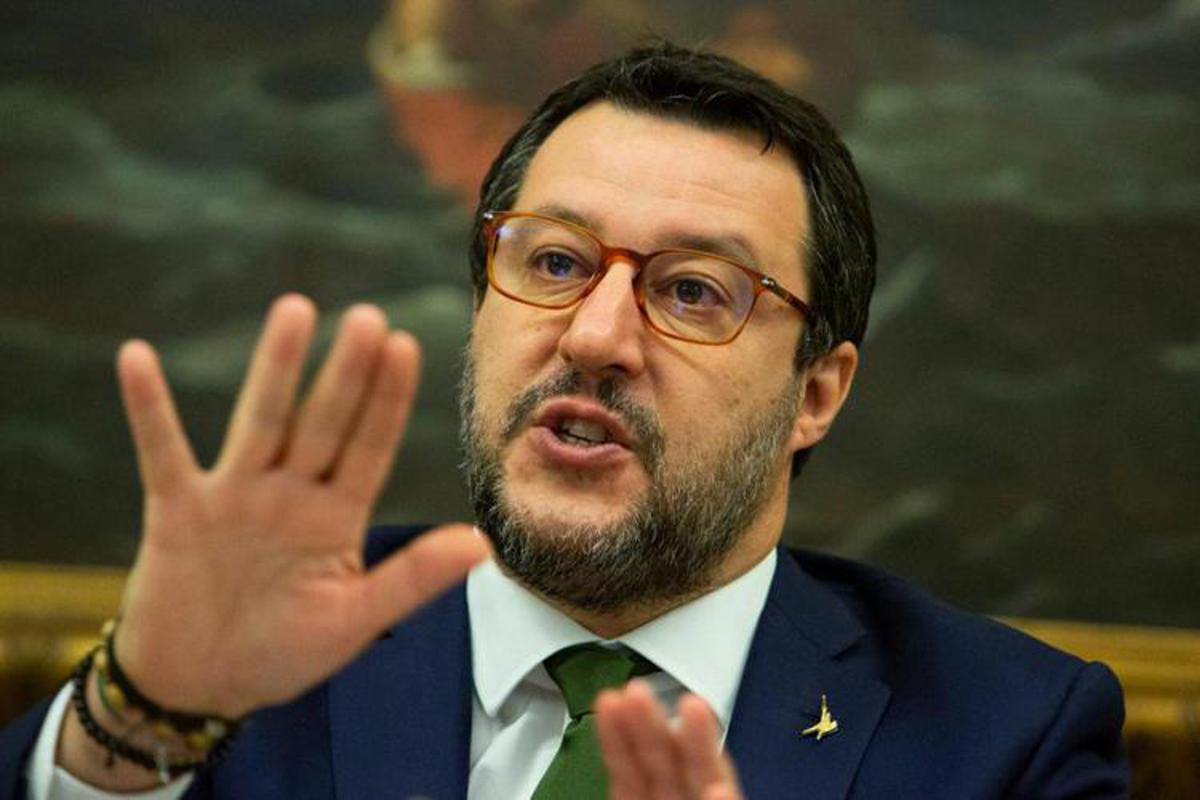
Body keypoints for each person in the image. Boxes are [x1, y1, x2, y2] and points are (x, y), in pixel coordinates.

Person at [0, 42, 1127, 799]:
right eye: (553, 261)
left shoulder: (1004, 737)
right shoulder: (272, 653)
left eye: (693, 290)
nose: (594, 335)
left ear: (816, 393)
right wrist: (137, 723)